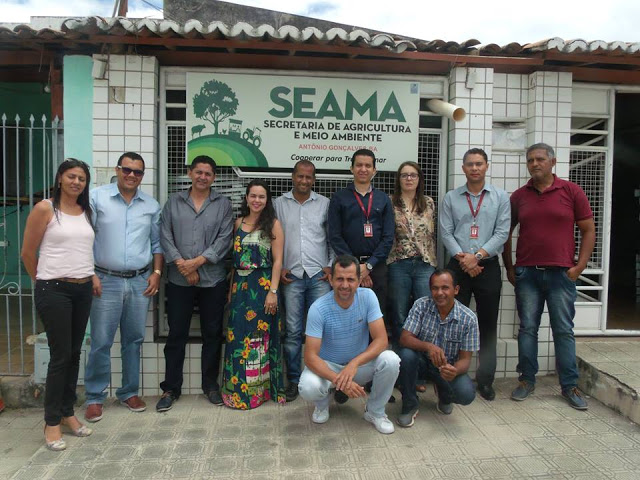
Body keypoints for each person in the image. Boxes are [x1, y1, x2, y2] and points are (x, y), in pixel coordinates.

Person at [503, 143, 595, 410]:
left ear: (553, 162)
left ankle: (570, 386)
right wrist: (510, 267)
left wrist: (580, 267)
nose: (535, 164)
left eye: (540, 159)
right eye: (530, 160)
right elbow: (506, 232)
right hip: (528, 273)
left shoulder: (571, 191)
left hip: (561, 274)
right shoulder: (519, 196)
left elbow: (588, 229)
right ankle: (526, 380)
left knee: (563, 330)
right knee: (527, 329)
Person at [21, 159, 96, 451]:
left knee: (74, 354)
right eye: (72, 176)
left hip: (83, 289)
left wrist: (91, 276)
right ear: (60, 178)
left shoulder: (85, 211)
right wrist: (42, 281)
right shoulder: (45, 208)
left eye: (82, 178)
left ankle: (67, 413)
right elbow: (28, 252)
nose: (77, 182)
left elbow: (82, 249)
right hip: (54, 290)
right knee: (60, 356)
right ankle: (51, 421)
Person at [84, 152, 163, 422]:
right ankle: (95, 397)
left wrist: (156, 273)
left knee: (134, 340)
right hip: (105, 280)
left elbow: (156, 244)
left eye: (137, 172)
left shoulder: (151, 205)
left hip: (140, 281)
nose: (131, 175)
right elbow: (85, 239)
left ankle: (128, 392)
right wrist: (90, 274)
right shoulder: (97, 198)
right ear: (118, 170)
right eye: (127, 170)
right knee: (101, 341)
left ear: (142, 175)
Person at [156, 156, 233, 412]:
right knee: (176, 333)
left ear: (214, 177)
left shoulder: (223, 205)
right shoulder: (174, 202)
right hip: (179, 280)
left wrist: (196, 263)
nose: (203, 177)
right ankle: (171, 388)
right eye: (198, 172)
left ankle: (211, 386)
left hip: (212, 280)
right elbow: (165, 234)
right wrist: (182, 265)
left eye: (208, 173)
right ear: (190, 173)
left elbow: (224, 239)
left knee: (213, 334)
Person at [298, 255, 400, 434]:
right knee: (308, 387)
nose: (345, 285)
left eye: (350, 279)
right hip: (329, 367)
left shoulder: (368, 297)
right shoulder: (318, 308)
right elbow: (310, 357)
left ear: (359, 281)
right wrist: (341, 381)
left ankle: (375, 412)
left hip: (358, 366)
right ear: (330, 280)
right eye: (340, 279)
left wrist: (354, 363)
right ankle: (322, 404)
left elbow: (381, 340)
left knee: (391, 360)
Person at [439, 148, 510, 401]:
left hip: (487, 266)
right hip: (457, 266)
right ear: (463, 168)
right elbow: (446, 232)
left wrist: (477, 256)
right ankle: (449, 375)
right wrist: (464, 259)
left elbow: (502, 232)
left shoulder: (501, 197)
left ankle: (485, 379)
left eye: (479, 163)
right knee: (452, 322)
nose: (474, 168)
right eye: (470, 164)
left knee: (487, 324)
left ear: (486, 166)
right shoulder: (451, 197)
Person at [221, 179, 286, 409]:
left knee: (259, 339)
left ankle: (259, 393)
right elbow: (234, 261)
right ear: (246, 198)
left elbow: (278, 261)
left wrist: (273, 292)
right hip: (240, 289)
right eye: (253, 196)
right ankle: (237, 392)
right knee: (237, 338)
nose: (257, 200)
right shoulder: (238, 222)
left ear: (267, 200)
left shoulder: (273, 225)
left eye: (261, 196)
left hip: (263, 288)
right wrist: (231, 291)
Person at [274, 160, 333, 402]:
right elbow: (271, 238)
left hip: (319, 276)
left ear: (314, 179)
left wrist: (331, 264)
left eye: (309, 177)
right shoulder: (278, 204)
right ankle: (294, 381)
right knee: (292, 332)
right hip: (292, 277)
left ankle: (324, 378)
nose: (304, 181)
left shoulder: (325, 204)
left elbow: (333, 237)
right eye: (300, 176)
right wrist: (279, 267)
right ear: (293, 177)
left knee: (322, 330)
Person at [397, 269, 479, 427]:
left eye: (445, 288)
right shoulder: (421, 305)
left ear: (456, 290)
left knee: (466, 393)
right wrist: (429, 346)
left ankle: (444, 394)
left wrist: (454, 370)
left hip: (445, 367)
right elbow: (404, 338)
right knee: (406, 355)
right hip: (421, 362)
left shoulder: (468, 318)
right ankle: (409, 404)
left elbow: (465, 360)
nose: (439, 293)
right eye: (435, 288)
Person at [328, 149, 394, 325]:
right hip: (346, 268)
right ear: (351, 168)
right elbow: (334, 236)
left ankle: (375, 344)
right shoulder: (339, 198)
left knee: (376, 316)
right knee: (347, 315)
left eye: (367, 166)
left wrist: (369, 266)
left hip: (377, 267)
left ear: (374, 170)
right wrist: (357, 268)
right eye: (359, 165)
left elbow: (388, 237)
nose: (363, 169)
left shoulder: (383, 199)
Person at [387, 161, 437, 347]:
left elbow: (432, 234)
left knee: (425, 311)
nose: (409, 178)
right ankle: (401, 357)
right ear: (399, 179)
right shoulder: (390, 202)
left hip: (424, 264)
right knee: (399, 313)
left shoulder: (429, 203)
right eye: (404, 175)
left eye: (413, 175)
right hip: (399, 264)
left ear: (419, 179)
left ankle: (422, 358)